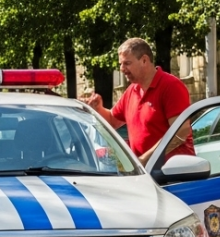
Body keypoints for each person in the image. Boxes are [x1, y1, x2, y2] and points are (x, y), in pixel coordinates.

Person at [83, 37, 193, 165]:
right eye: (120, 64)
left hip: (175, 174)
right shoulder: (132, 90)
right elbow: (112, 121)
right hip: (145, 172)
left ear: (144, 60)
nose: (122, 69)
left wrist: (145, 159)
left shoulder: (171, 86)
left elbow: (181, 132)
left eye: (127, 63)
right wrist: (99, 109)